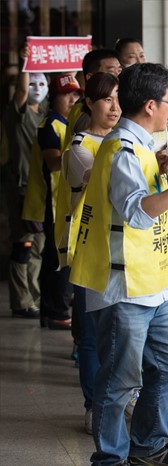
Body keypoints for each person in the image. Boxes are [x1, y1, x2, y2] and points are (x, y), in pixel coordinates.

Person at [69, 63, 168, 466]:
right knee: (119, 380)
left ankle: (149, 447)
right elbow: (136, 212)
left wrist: (164, 170)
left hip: (151, 282)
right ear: (150, 105)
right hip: (124, 286)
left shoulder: (142, 147)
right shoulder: (122, 150)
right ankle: (110, 458)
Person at [62, 72, 121, 435]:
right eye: (106, 100)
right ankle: (93, 405)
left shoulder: (124, 139)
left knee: (120, 331)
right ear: (89, 103)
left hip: (123, 250)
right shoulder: (80, 147)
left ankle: (119, 400)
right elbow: (104, 185)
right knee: (90, 334)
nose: (114, 108)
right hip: (89, 250)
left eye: (119, 99)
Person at [22, 73, 82, 330]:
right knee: (60, 259)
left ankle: (51, 310)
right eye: (66, 95)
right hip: (52, 202)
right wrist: (80, 149)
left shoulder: (66, 124)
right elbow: (53, 163)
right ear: (54, 98)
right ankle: (57, 312)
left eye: (76, 94)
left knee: (54, 258)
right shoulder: (50, 125)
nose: (73, 99)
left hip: (63, 200)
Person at [6, 44, 48, 319]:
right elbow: (22, 92)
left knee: (39, 246)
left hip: (40, 189)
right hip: (21, 187)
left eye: (41, 82)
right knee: (24, 245)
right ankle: (21, 301)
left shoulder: (45, 114)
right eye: (32, 82)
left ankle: (35, 297)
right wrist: (26, 64)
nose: (36, 87)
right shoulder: (18, 113)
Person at [64, 48, 122, 151]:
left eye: (119, 71)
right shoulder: (85, 111)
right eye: (111, 72)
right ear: (90, 77)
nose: (118, 77)